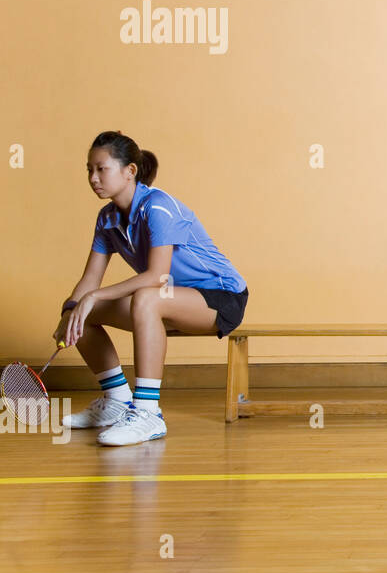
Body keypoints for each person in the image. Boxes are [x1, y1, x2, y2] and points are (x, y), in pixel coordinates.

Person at [56, 131, 249, 446]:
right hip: (167, 300)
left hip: (219, 298)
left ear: (129, 171)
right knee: (81, 311)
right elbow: (90, 281)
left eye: (101, 169)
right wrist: (70, 311)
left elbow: (157, 276)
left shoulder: (157, 206)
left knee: (144, 296)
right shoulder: (106, 219)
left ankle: (147, 413)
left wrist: (93, 296)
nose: (93, 177)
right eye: (88, 169)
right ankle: (117, 400)